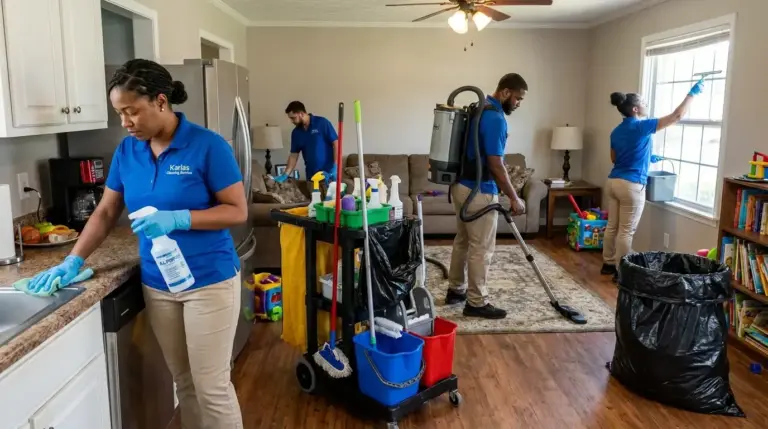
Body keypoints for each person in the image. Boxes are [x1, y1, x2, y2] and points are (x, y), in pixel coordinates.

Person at [25, 59, 247, 429]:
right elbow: (106, 211)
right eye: (119, 114)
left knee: (212, 387)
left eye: (132, 111)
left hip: (209, 282)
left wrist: (180, 218)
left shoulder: (208, 146)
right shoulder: (128, 152)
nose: (125, 122)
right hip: (159, 285)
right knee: (185, 383)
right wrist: (72, 260)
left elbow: (237, 210)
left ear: (161, 102)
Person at [601, 77, 705, 282]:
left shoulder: (616, 130)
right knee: (626, 231)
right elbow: (676, 116)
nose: (647, 106)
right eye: (644, 103)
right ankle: (622, 273)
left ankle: (608, 263)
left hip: (613, 183)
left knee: (612, 226)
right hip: (631, 185)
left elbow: (614, 158)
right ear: (635, 110)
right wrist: (692, 94)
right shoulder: (641, 126)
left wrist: (646, 158)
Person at [446, 73, 528, 320]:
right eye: (517, 98)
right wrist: (514, 197)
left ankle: (456, 289)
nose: (518, 103)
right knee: (481, 249)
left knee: (463, 240)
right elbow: (496, 163)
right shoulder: (494, 119)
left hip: (461, 187)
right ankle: (477, 302)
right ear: (505, 92)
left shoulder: (476, 110)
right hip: (480, 191)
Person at [275, 101, 339, 184]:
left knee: (331, 197)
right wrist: (285, 174)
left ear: (301, 114)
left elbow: (336, 144)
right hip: (311, 177)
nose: (292, 121)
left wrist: (336, 166)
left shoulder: (322, 123)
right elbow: (293, 155)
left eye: (293, 118)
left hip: (329, 174)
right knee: (313, 197)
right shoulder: (296, 133)